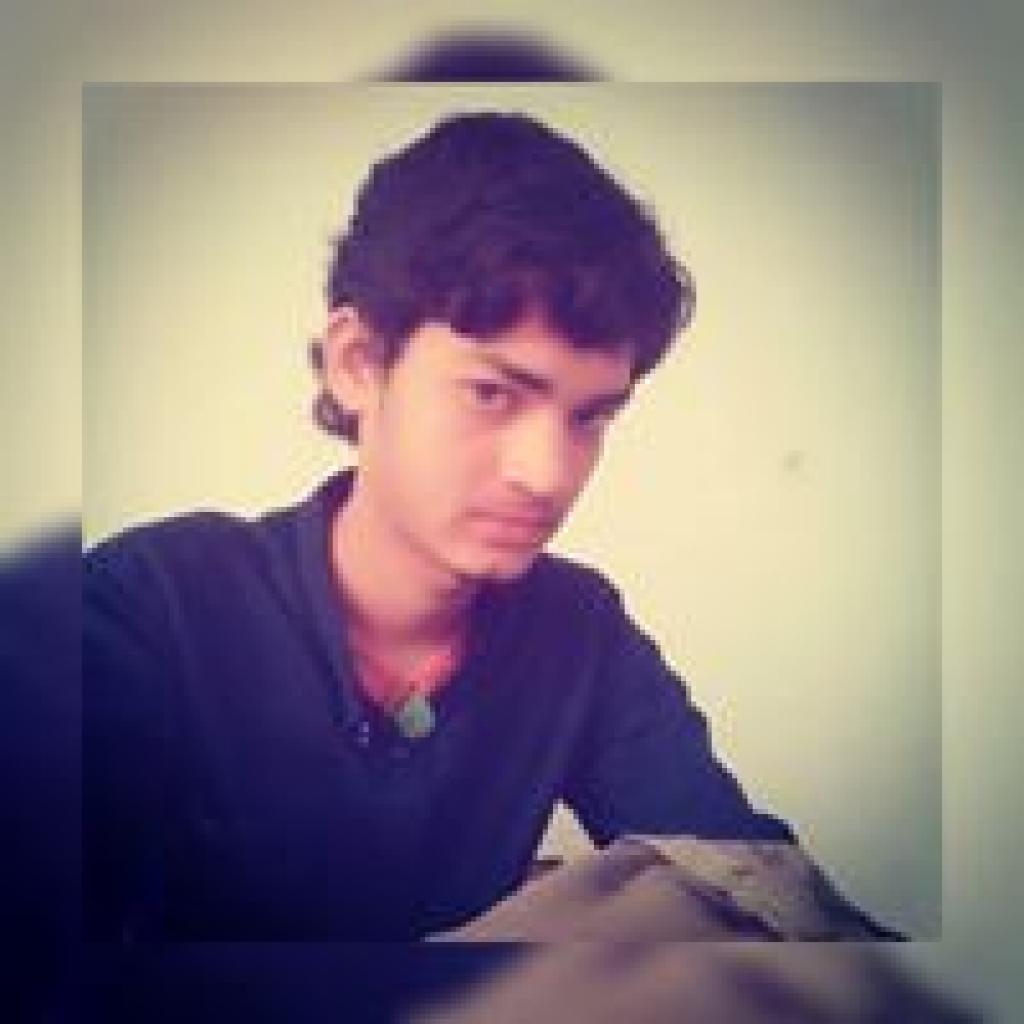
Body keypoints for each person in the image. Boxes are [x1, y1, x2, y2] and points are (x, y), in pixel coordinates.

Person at [84, 110, 813, 942]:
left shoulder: (581, 630)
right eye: (491, 394)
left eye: (590, 417)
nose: (548, 473)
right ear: (358, 364)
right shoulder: (145, 606)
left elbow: (750, 883)